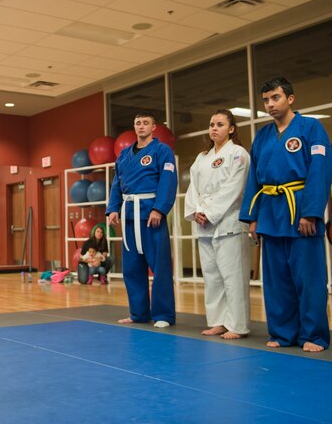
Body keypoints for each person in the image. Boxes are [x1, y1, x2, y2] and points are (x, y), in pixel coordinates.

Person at [239, 77, 332, 352]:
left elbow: (320, 170)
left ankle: (313, 335)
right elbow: (253, 180)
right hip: (270, 213)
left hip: (300, 211)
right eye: (266, 100)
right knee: (276, 280)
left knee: (308, 279)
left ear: (290, 99)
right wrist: (252, 217)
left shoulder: (311, 128)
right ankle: (283, 333)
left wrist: (311, 212)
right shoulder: (263, 136)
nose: (270, 105)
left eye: (275, 98)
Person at [184, 109, 251, 340]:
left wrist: (209, 212)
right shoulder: (202, 158)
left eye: (220, 124)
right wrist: (196, 211)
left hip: (229, 221)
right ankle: (217, 321)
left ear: (231, 129)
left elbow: (235, 188)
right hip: (205, 225)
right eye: (211, 124)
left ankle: (238, 325)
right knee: (212, 276)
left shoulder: (238, 154)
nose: (214, 128)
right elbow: (192, 187)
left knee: (233, 276)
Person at [107, 112, 178, 328]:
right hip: (129, 216)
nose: (141, 126)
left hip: (151, 215)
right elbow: (116, 184)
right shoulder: (124, 156)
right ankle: (138, 313)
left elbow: (168, 181)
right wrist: (113, 209)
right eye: (137, 123)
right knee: (132, 268)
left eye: (145, 123)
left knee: (160, 266)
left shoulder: (162, 151)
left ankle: (163, 314)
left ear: (154, 127)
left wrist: (159, 209)